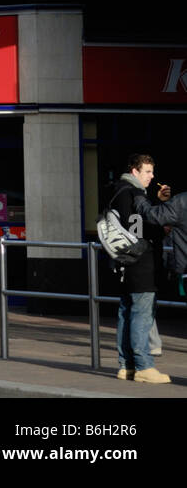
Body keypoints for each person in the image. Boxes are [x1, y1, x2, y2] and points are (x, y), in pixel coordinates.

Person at [109, 154, 170, 383]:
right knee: (141, 315)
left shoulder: (118, 190)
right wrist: (160, 230)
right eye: (147, 172)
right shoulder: (132, 193)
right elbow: (136, 228)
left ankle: (126, 366)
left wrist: (154, 202)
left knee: (126, 312)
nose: (152, 176)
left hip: (123, 262)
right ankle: (144, 366)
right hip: (140, 263)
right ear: (135, 171)